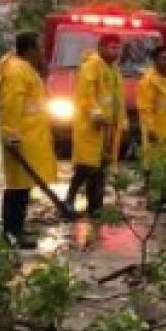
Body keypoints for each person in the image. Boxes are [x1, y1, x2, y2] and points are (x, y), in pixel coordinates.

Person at [0, 32, 58, 249]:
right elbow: (10, 105)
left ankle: (17, 228)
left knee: (23, 187)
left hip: (30, 137)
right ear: (30, 50)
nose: (43, 51)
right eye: (40, 47)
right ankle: (11, 232)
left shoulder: (26, 69)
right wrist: (11, 134)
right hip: (20, 139)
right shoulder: (16, 71)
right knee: (17, 188)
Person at [65, 34, 127, 216]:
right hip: (91, 127)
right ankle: (69, 200)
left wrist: (121, 122)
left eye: (117, 48)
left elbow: (118, 100)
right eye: (111, 47)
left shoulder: (114, 70)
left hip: (108, 128)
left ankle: (96, 206)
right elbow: (86, 95)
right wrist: (96, 113)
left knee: (101, 168)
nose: (115, 52)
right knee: (85, 166)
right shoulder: (90, 67)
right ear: (101, 47)